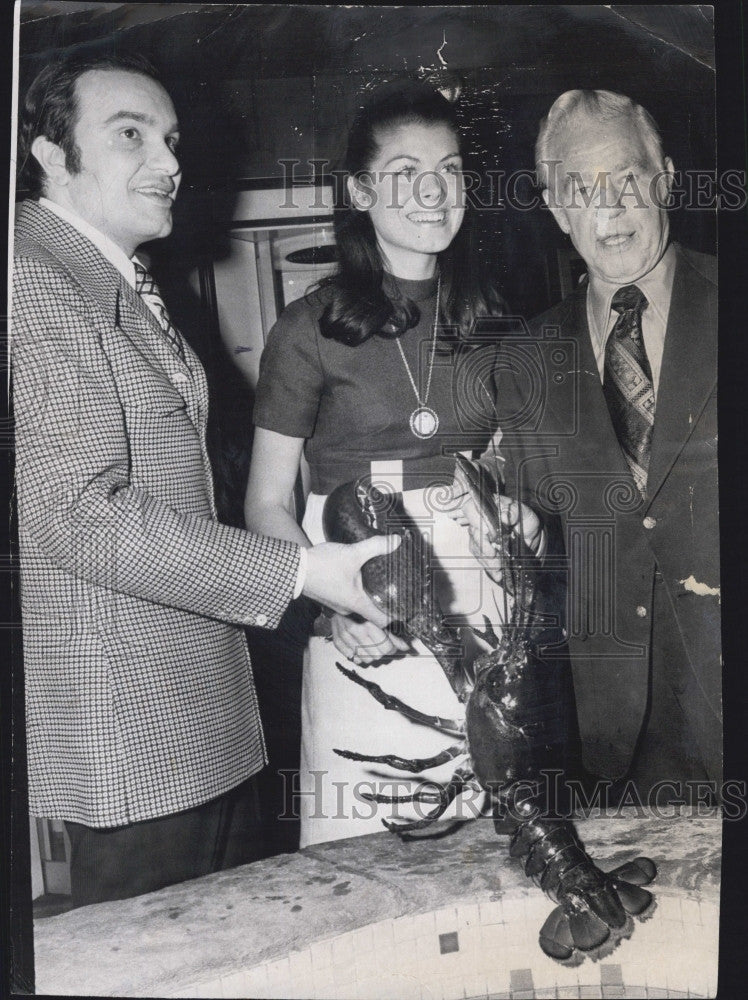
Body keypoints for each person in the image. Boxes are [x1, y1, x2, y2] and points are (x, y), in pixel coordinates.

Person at [12, 52, 398, 907]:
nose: (172, 162)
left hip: (193, 724)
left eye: (171, 137)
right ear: (48, 151)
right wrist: (302, 572)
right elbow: (77, 513)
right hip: (128, 745)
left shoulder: (105, 275)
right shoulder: (33, 280)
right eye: (130, 135)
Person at [245, 80, 507, 846]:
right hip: (361, 596)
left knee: (489, 837)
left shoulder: (495, 319)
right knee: (367, 841)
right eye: (404, 172)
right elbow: (265, 503)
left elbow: (515, 476)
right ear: (359, 191)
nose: (434, 192)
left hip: (483, 602)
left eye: (451, 169)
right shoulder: (307, 328)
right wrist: (336, 605)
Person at [458, 89, 720, 805]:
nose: (609, 208)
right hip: (611, 737)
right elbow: (535, 547)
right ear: (553, 207)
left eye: (628, 179)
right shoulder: (524, 362)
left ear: (665, 176)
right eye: (580, 188)